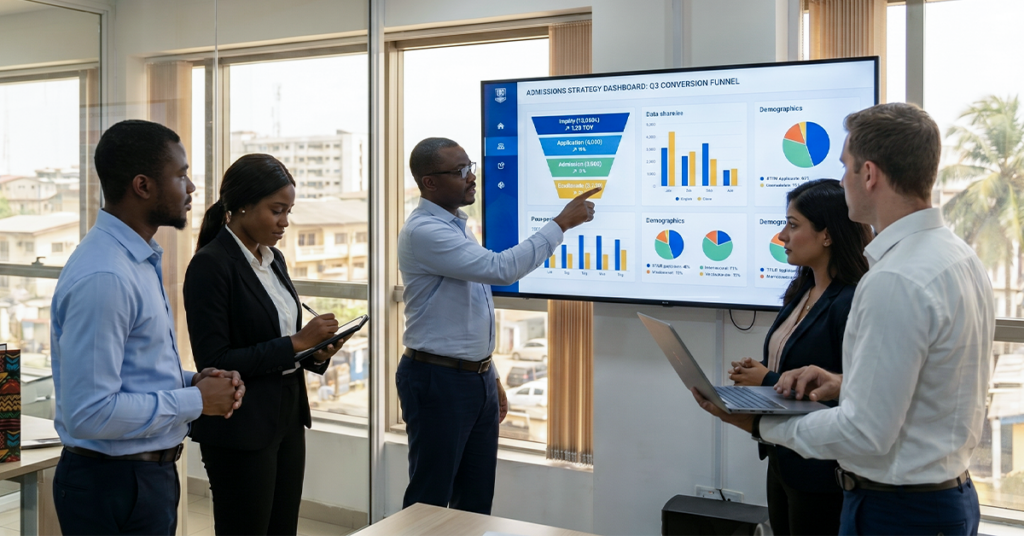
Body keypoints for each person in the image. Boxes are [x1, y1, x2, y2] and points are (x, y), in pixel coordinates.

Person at [693, 103, 995, 535]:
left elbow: (864, 433)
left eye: (845, 168)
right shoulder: (958, 257)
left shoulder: (895, 279)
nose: (842, 181)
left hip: (896, 511)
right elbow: (932, 384)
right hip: (943, 499)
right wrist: (845, 384)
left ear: (868, 174)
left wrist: (762, 423)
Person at [49, 120, 245, 536]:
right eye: (180, 175)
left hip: (143, 476)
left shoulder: (135, 260)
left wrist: (193, 380)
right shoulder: (107, 275)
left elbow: (132, 372)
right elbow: (91, 413)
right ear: (143, 185)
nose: (190, 188)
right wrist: (195, 401)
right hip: (111, 484)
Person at [398, 137, 598, 514]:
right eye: (461, 171)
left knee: (474, 499)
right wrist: (560, 224)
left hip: (472, 377)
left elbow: (469, 310)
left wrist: (488, 373)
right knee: (429, 500)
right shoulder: (425, 231)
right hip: (436, 380)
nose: (472, 176)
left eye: (470, 166)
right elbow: (500, 270)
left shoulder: (456, 225)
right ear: (430, 183)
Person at [183, 154, 346, 536]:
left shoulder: (274, 260)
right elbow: (215, 360)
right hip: (241, 421)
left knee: (282, 528)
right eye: (277, 211)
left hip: (287, 414)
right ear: (242, 205)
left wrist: (313, 351)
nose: (285, 222)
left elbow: (280, 339)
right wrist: (296, 341)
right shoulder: (211, 264)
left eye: (288, 211)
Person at [728, 179, 871, 536]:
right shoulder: (803, 287)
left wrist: (765, 380)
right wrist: (761, 373)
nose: (781, 236)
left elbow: (847, 391)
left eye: (793, 225)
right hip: (783, 458)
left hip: (820, 472)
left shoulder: (851, 301)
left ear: (827, 235)